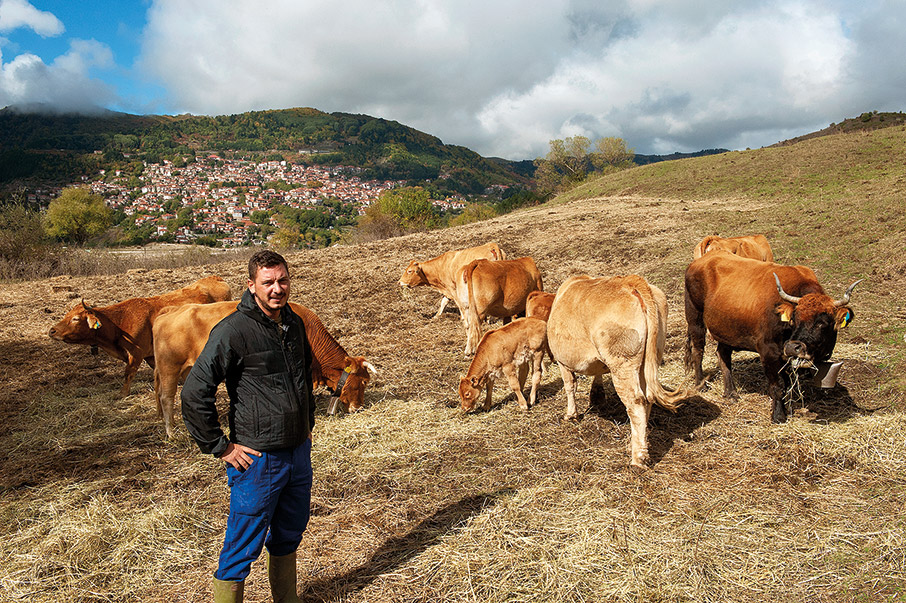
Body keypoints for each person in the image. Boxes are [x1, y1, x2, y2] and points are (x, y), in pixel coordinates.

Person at [182, 249, 314, 603]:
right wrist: (220, 446)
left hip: (298, 454)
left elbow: (303, 376)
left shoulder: (294, 323)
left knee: (288, 536)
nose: (277, 289)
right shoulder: (233, 331)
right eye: (268, 282)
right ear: (251, 285)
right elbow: (195, 392)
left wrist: (307, 425)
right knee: (241, 548)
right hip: (259, 459)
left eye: (283, 280)